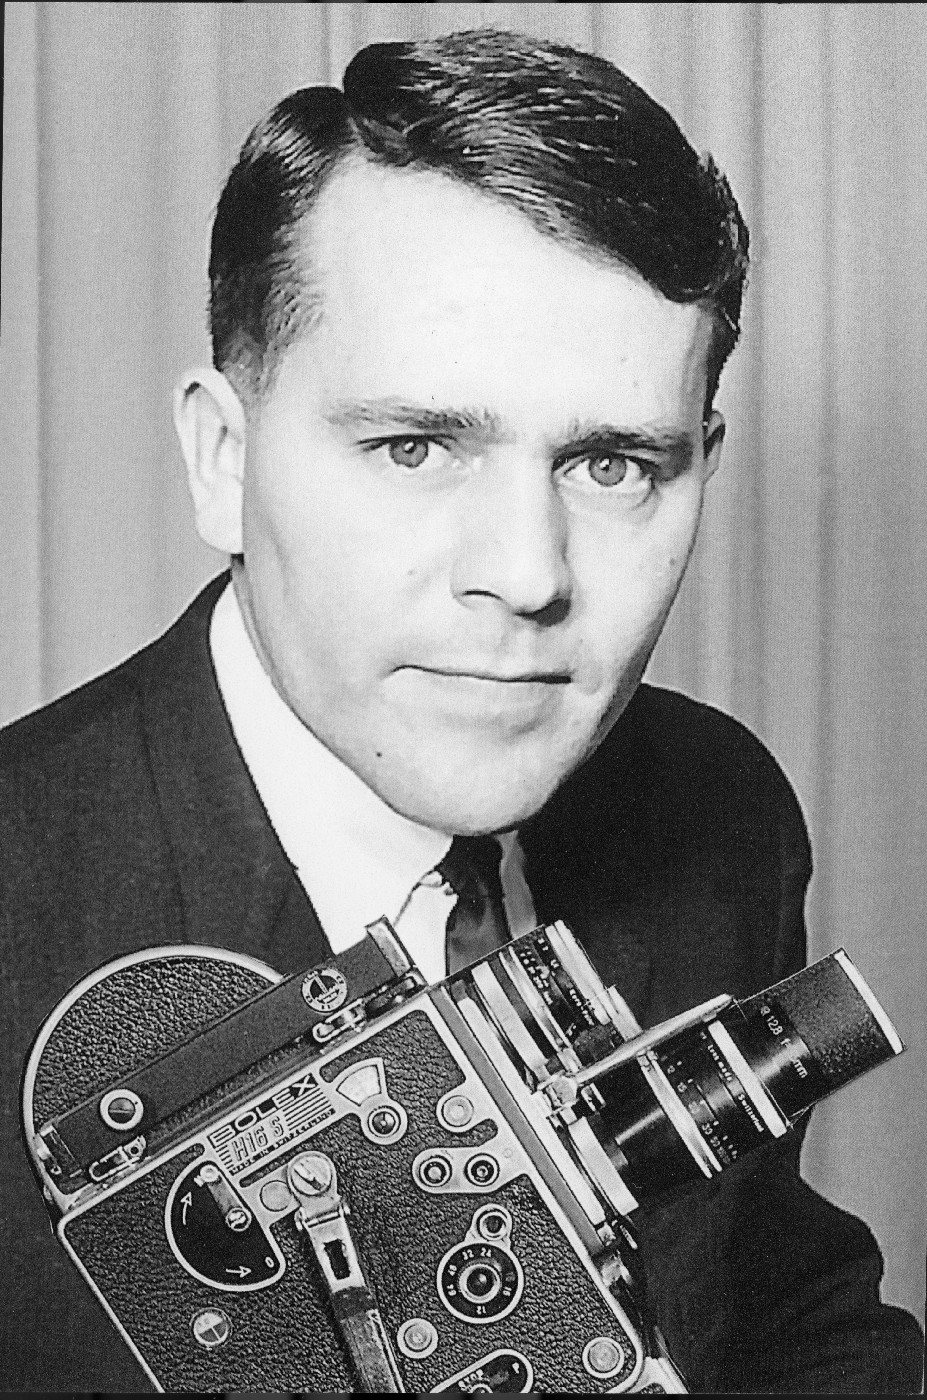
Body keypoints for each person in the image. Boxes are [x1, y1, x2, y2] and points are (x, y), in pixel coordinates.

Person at [0, 27, 921, 1395]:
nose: (530, 575)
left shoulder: (717, 806)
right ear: (222, 458)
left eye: (613, 465)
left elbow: (780, 1309)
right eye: (416, 446)